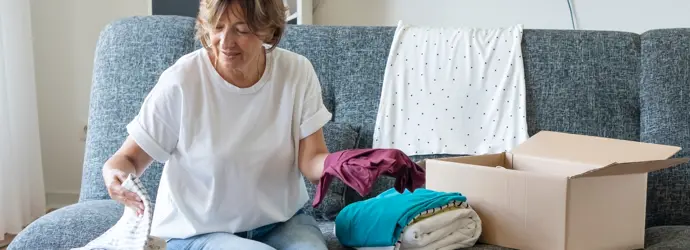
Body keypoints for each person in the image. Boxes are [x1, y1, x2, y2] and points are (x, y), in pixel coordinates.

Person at [100, 0, 332, 249]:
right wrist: (114, 174)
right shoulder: (182, 80)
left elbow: (312, 161)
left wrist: (342, 166)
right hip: (197, 232)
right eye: (217, 27)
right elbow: (128, 159)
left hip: (280, 223)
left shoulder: (297, 72)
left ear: (269, 30)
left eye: (241, 29)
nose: (225, 41)